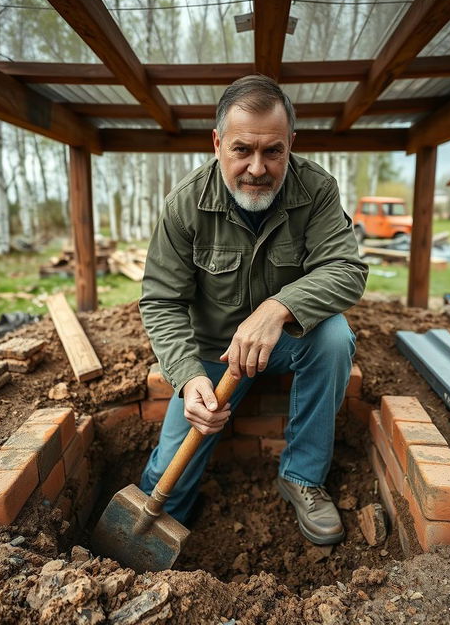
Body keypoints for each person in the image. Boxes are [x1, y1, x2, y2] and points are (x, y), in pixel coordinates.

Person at [138, 75, 368, 545]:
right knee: (168, 475)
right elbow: (161, 301)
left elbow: (347, 269)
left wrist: (278, 307)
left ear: (291, 144)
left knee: (334, 337)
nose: (258, 169)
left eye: (273, 152)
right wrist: (188, 377)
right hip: (211, 354)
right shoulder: (184, 205)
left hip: (286, 339)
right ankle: (157, 532)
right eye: (243, 150)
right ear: (218, 143)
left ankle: (303, 476)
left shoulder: (317, 189)